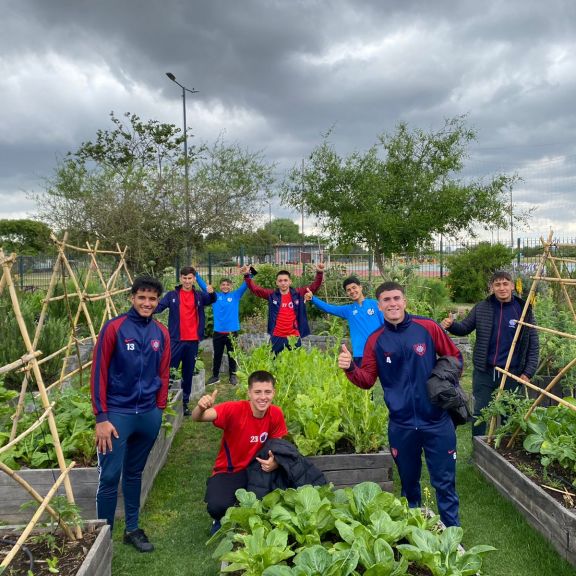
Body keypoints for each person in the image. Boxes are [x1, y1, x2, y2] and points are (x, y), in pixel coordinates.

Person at [338, 281, 463, 527]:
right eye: (386, 300)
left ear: (405, 301)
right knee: (409, 486)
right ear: (379, 305)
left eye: (396, 298)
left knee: (444, 484)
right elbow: (366, 380)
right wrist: (350, 367)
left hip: (436, 421)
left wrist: (441, 379)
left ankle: (453, 534)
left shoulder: (427, 327)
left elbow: (455, 358)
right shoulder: (376, 340)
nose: (392, 303)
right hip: (402, 425)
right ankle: (412, 533)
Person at [90, 275, 170, 552]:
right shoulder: (114, 328)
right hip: (117, 414)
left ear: (157, 302)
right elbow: (99, 373)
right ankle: (104, 538)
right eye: (142, 298)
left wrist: (159, 409)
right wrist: (101, 417)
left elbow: (163, 372)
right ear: (132, 298)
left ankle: (132, 529)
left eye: (152, 299)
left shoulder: (161, 332)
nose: (147, 303)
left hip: (147, 415)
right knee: (110, 476)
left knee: (135, 473)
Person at [440, 270, 539, 436]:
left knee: (509, 413)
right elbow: (464, 328)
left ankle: (505, 450)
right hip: (484, 371)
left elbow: (533, 343)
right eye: (497, 284)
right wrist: (451, 325)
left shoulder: (523, 310)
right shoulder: (482, 307)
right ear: (492, 288)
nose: (502, 288)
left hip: (511, 372)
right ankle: (478, 449)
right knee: (480, 412)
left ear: (512, 286)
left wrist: (528, 372)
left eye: (505, 283)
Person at [192, 370, 288, 533]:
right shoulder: (234, 410)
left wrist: (275, 462)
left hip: (258, 470)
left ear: (274, 393)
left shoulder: (276, 413)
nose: (262, 397)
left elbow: (278, 446)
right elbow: (198, 418)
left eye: (267, 392)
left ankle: (242, 511)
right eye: (257, 392)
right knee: (217, 507)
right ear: (249, 392)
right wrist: (200, 408)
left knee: (268, 506)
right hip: (230, 470)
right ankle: (220, 518)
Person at [154, 266, 216, 416]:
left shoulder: (200, 296)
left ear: (194, 278)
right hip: (176, 340)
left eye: (190, 278)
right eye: (184, 278)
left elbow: (212, 299)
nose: (187, 281)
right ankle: (163, 401)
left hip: (192, 342)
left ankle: (185, 403)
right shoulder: (172, 295)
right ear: (180, 278)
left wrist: (212, 292)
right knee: (168, 371)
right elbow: (159, 308)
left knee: (188, 373)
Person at [240, 263, 324, 355]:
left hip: (294, 336)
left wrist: (319, 273)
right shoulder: (271, 295)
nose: (283, 283)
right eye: (280, 281)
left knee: (295, 365)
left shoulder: (298, 293)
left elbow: (314, 287)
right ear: (276, 283)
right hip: (277, 336)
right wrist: (247, 276)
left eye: (285, 280)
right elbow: (256, 289)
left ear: (290, 281)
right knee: (273, 363)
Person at [304, 275, 383, 365]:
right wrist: (313, 298)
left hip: (378, 351)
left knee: (385, 378)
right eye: (348, 290)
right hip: (360, 354)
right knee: (363, 379)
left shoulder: (375, 304)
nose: (352, 291)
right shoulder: (348, 310)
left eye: (354, 288)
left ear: (360, 287)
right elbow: (329, 308)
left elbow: (386, 326)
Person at [195, 270, 249, 386]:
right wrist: (196, 274)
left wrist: (251, 272)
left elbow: (246, 284)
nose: (225, 286)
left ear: (231, 286)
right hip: (218, 332)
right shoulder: (215, 296)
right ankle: (215, 376)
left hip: (232, 332)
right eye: (223, 285)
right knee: (217, 354)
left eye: (227, 285)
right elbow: (205, 287)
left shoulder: (235, 295)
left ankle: (232, 375)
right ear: (220, 286)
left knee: (232, 354)